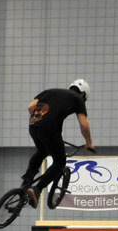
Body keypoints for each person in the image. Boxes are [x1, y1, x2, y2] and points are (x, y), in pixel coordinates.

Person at [23, 79, 94, 208]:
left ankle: (26, 183)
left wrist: (41, 119)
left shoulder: (49, 92)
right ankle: (37, 189)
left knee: (42, 151)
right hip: (49, 129)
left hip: (33, 125)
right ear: (83, 94)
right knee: (60, 162)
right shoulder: (77, 99)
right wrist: (88, 142)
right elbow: (84, 124)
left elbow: (31, 107)